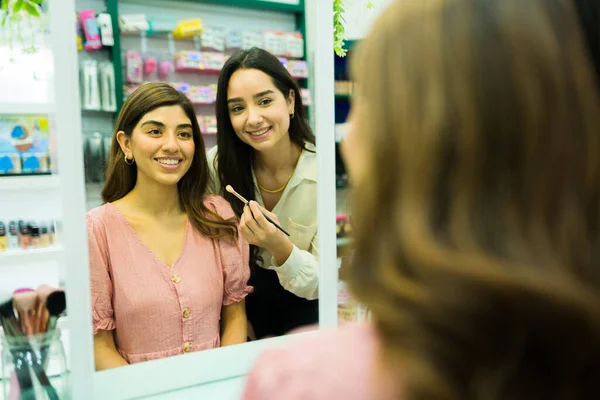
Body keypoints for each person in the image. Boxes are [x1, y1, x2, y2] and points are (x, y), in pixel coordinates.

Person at [242, 0, 600, 398]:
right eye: (236, 107)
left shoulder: (303, 380)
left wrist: (281, 247)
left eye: (368, 97)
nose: (348, 129)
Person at [88, 82, 252, 370]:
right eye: (155, 131)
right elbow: (99, 346)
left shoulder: (217, 216)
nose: (172, 145)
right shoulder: (97, 230)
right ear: (126, 144)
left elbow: (235, 317)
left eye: (184, 134)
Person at [207, 47, 319, 339]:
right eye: (237, 108)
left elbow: (324, 282)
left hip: (311, 316)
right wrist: (231, 317)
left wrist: (278, 245)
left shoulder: (324, 172)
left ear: (291, 100)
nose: (253, 118)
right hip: (240, 312)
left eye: (265, 101)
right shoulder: (216, 165)